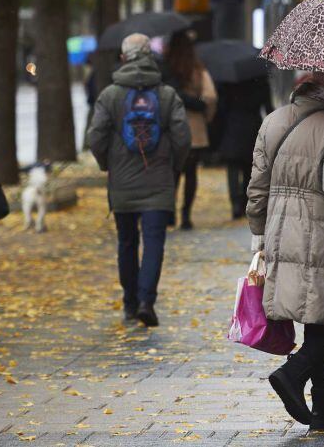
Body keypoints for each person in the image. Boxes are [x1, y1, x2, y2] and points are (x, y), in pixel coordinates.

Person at [247, 72, 324, 431]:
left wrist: (258, 230)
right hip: (322, 229)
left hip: (280, 227)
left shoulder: (273, 120)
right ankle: (293, 372)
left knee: (318, 314)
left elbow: (257, 183)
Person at [88, 34, 191, 327]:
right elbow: (183, 137)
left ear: (123, 58)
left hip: (121, 181)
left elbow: (95, 136)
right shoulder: (167, 95)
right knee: (154, 242)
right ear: (150, 57)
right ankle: (147, 300)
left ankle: (130, 302)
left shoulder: (110, 95)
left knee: (127, 242)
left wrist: (107, 164)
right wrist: (174, 167)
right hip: (158, 180)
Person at [163, 31, 217, 230]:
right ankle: (186, 215)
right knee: (191, 173)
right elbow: (210, 96)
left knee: (173, 172)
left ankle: (170, 213)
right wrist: (206, 116)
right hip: (195, 128)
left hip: (171, 127)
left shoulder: (166, 68)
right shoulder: (197, 69)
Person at [216, 76, 273, 219]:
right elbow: (268, 107)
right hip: (252, 126)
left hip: (232, 125)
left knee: (233, 167)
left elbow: (222, 106)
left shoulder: (228, 80)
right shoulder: (259, 80)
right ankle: (243, 203)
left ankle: (235, 203)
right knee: (248, 167)